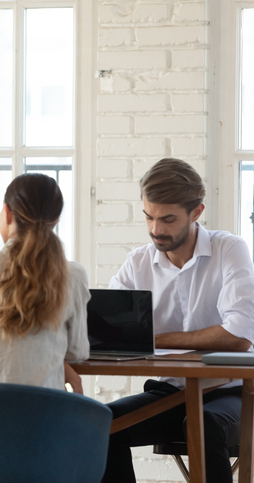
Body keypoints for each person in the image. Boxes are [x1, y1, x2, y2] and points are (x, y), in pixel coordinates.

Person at [102, 158, 254, 483]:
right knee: (102, 423)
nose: (156, 229)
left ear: (197, 212)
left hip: (231, 395)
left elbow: (238, 336)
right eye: (149, 217)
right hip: (169, 394)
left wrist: (153, 338)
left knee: (203, 423)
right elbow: (110, 333)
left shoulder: (230, 250)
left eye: (168, 219)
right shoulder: (137, 263)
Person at [0, 173, 89, 394]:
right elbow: (77, 351)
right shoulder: (72, 274)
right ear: (55, 221)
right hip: (43, 421)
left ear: (7, 213)